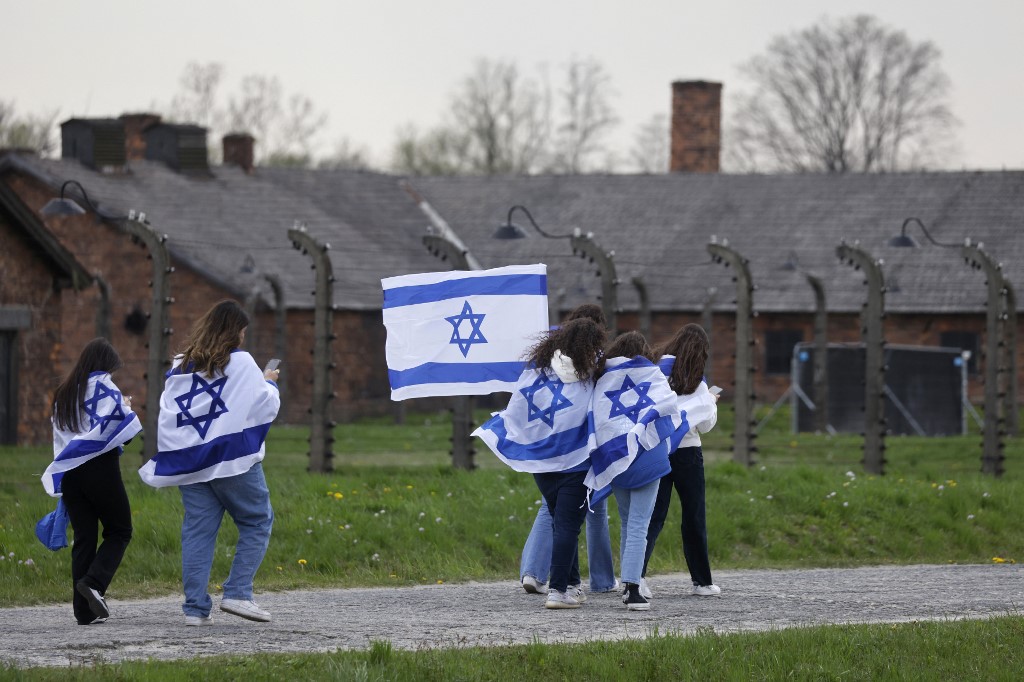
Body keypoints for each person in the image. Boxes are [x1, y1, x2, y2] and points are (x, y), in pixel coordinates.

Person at [138, 300, 281, 626]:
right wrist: (269, 381)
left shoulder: (179, 365)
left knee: (198, 533)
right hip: (231, 459)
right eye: (242, 331)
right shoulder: (243, 364)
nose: (244, 337)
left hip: (191, 461)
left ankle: (195, 610)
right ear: (235, 332)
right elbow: (263, 404)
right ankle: (238, 593)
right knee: (258, 521)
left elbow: (179, 408)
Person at [474, 318, 607, 609]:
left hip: (541, 463)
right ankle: (558, 591)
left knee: (562, 524)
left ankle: (571, 584)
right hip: (576, 463)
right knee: (568, 526)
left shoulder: (537, 372)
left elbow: (518, 407)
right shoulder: (593, 376)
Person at [519, 303, 617, 596]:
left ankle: (537, 573)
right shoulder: (597, 368)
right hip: (581, 456)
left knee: (555, 513)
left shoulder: (543, 365)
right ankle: (587, 582)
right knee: (578, 518)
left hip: (545, 454)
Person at [44, 338, 142, 625]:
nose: (112, 375)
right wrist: (125, 407)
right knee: (120, 530)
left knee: (84, 538)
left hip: (71, 471)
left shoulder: (64, 393)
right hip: (100, 468)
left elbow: (66, 436)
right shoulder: (104, 386)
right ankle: (94, 583)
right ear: (104, 366)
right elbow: (120, 429)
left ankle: (83, 612)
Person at [585, 331, 681, 611]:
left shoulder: (603, 380)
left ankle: (628, 582)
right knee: (639, 523)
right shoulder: (652, 375)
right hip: (648, 456)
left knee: (628, 522)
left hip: (616, 460)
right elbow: (668, 405)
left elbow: (599, 419)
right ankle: (633, 588)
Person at [642, 323, 721, 597]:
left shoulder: (656, 375)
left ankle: (636, 576)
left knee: (653, 515)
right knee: (693, 516)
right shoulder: (697, 384)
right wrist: (710, 400)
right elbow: (706, 425)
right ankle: (702, 581)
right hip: (688, 453)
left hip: (658, 451)